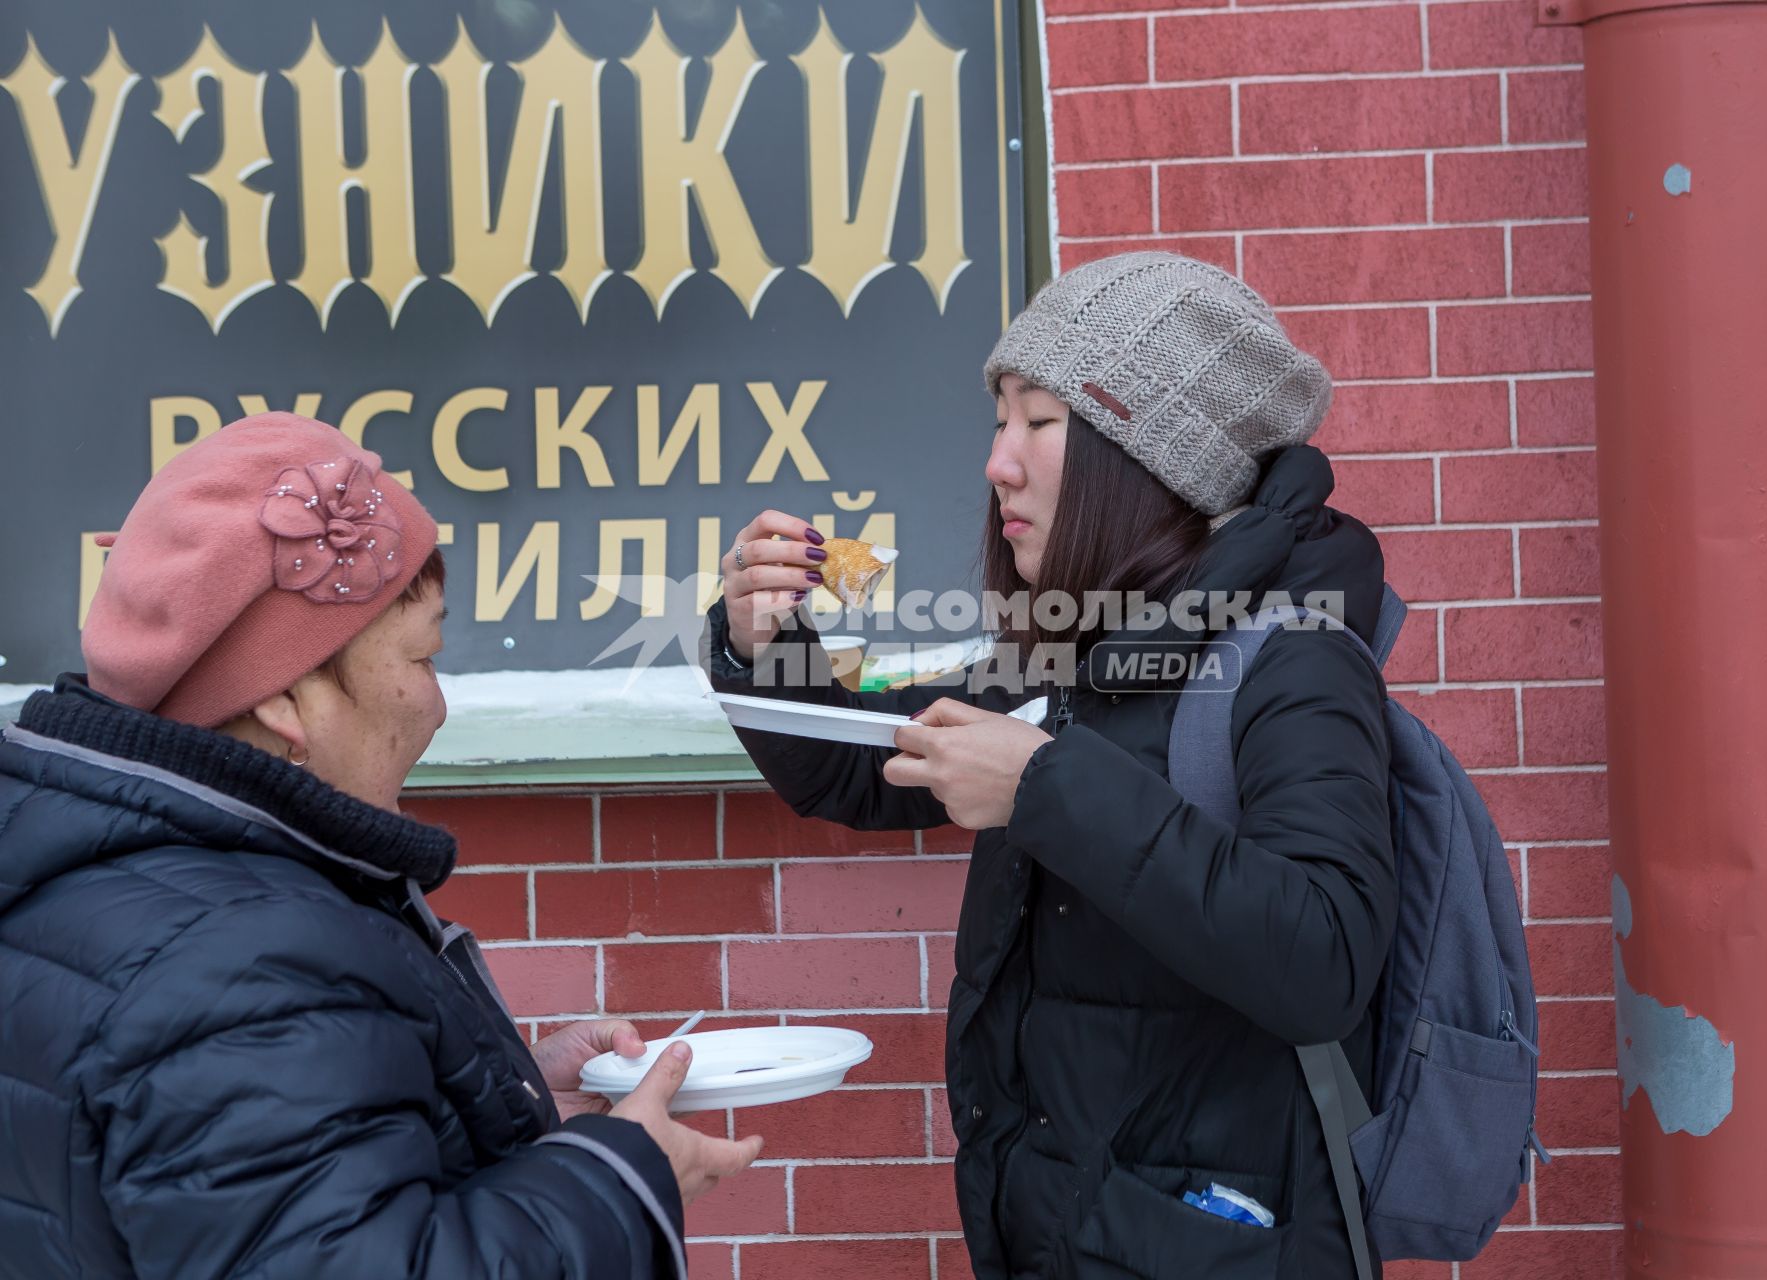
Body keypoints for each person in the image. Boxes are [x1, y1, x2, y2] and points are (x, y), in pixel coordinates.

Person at [706, 253, 1396, 1277]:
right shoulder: (1068, 652)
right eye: (1000, 420)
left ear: (1153, 457)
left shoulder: (1292, 655)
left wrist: (1043, 786)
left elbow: (1326, 960)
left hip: (1230, 1243)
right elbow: (858, 771)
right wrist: (762, 647)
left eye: (1039, 420)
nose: (999, 462)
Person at [0, 413, 760, 1279]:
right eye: (424, 657)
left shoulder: (90, 877)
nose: (437, 706)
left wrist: (495, 1100)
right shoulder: (252, 962)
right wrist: (617, 1179)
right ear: (287, 700)